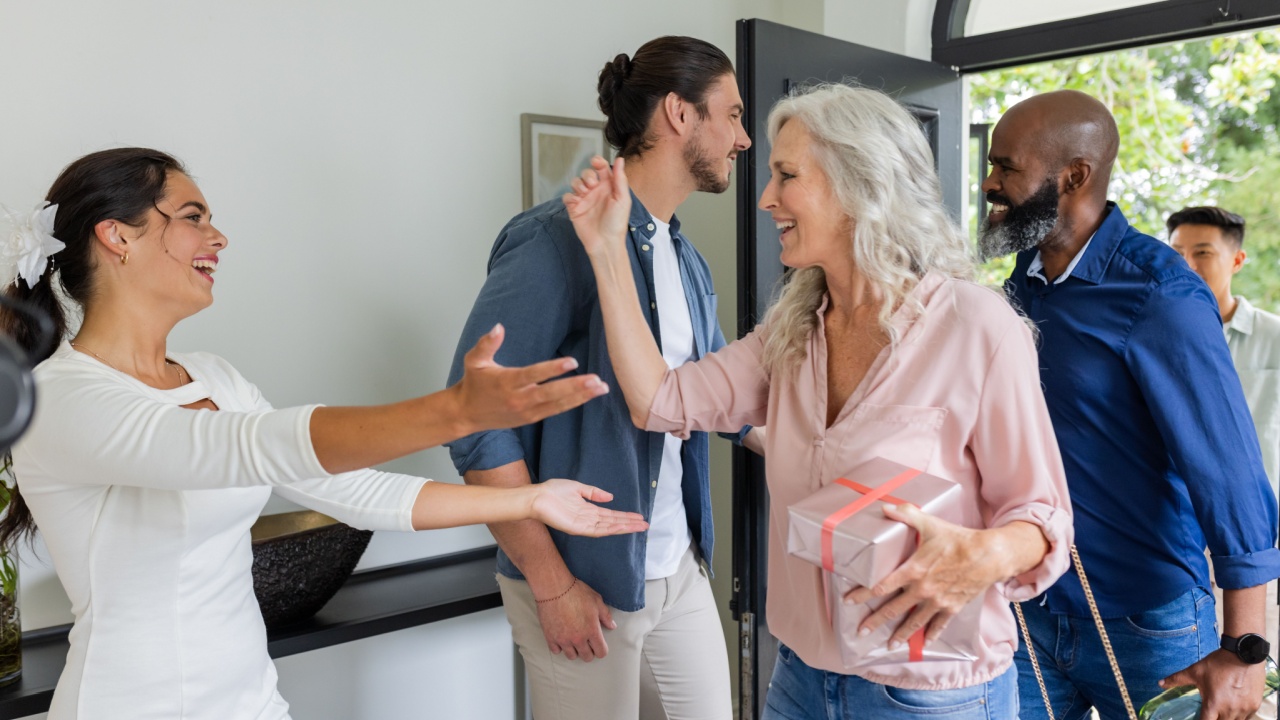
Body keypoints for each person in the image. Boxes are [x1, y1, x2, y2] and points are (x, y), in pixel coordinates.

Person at [1, 147, 649, 720]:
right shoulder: (60, 398)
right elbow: (242, 449)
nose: (218, 236)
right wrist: (454, 411)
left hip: (252, 703)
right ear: (117, 236)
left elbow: (350, 489)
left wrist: (526, 500)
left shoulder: (213, 377)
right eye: (193, 216)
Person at [563, 82, 1073, 719]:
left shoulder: (976, 328)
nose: (766, 198)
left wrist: (986, 555)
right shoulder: (792, 332)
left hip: (928, 694)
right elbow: (661, 401)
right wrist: (607, 251)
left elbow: (1042, 516)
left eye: (786, 174)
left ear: (860, 185)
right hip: (800, 681)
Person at [444, 35, 752, 720]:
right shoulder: (553, 240)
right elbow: (473, 426)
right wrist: (551, 584)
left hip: (677, 571)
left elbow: (722, 398)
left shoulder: (687, 260)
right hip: (580, 580)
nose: (744, 137)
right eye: (730, 115)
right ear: (679, 113)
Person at [981, 91, 1280, 720]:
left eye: (1007, 167)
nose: (990, 183)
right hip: (1028, 610)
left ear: (1074, 176)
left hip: (1149, 620)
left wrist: (1247, 648)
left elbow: (1229, 473)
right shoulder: (1019, 284)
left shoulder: (1160, 291)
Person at [1169, 205, 1280, 651]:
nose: (1188, 266)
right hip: (1178, 530)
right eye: (1177, 253)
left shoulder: (1274, 339)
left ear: (1236, 260)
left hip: (1258, 536)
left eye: (1203, 253)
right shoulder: (1156, 335)